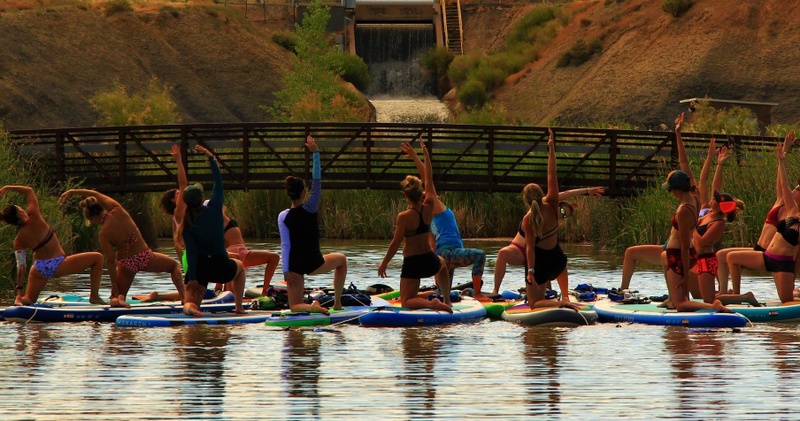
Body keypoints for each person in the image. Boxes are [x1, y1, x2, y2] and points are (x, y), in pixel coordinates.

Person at [59, 188, 184, 308]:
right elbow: (96, 194)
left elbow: (111, 261)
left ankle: (118, 299)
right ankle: (184, 297)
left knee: (118, 296)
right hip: (145, 257)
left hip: (127, 264)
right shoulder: (118, 210)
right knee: (174, 266)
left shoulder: (103, 234)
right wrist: (73, 192)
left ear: (93, 218)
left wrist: (114, 286)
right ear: (102, 208)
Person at [401, 141, 489, 301]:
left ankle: (423, 297)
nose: (433, 194)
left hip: (443, 255)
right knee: (480, 255)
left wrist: (414, 155)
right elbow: (427, 178)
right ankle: (477, 293)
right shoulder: (433, 206)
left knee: (445, 295)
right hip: (450, 253)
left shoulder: (426, 216)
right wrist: (418, 156)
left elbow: (431, 243)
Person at [661, 113, 731, 313]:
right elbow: (685, 164)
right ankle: (679, 300)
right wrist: (678, 134)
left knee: (681, 304)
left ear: (676, 191)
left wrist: (684, 273)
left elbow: (683, 244)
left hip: (678, 254)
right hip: (687, 254)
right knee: (680, 299)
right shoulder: (695, 198)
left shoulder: (684, 210)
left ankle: (713, 306)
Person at [716, 130, 798, 294]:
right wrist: (784, 153)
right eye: (796, 187)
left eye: (799, 189)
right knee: (721, 255)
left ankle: (737, 295)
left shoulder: (793, 214)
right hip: (760, 249)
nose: (796, 189)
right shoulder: (781, 201)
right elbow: (782, 182)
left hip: (772, 254)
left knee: (787, 295)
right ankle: (725, 291)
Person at [378, 142, 452, 312]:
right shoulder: (430, 206)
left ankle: (431, 303)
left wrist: (384, 263)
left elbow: (395, 243)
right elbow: (428, 179)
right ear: (421, 192)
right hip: (428, 259)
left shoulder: (404, 217)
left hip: (413, 263)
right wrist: (424, 156)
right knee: (441, 264)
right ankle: (447, 300)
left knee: (406, 301)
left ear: (405, 195)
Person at [0, 185, 105, 305]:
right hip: (58, 265)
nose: (23, 209)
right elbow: (29, 190)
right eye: (21, 208)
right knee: (98, 258)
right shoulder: (34, 217)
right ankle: (94, 296)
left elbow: (21, 267)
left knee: (28, 300)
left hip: (38, 269)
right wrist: (7, 188)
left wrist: (19, 291)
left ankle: (19, 301)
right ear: (19, 212)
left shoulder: (18, 241)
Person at [278, 135, 346, 315]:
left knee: (295, 307)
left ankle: (311, 307)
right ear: (303, 192)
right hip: (315, 262)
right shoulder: (310, 207)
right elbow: (317, 181)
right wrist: (315, 152)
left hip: (294, 266)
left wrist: (286, 270)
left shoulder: (282, 216)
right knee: (342, 260)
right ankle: (337, 303)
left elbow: (285, 245)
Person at [493, 187, 603, 295]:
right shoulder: (541, 204)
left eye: (565, 216)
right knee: (503, 253)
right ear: (557, 205)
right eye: (563, 212)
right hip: (519, 250)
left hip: (538, 256)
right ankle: (495, 291)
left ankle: (550, 293)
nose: (562, 216)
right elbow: (567, 193)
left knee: (549, 259)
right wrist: (588, 191)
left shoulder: (552, 224)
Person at [179, 144, 246, 316]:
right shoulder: (215, 208)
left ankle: (193, 309)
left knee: (189, 303)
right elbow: (218, 181)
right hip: (221, 267)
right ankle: (238, 307)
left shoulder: (187, 224)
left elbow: (192, 253)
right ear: (202, 198)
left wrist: (192, 278)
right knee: (240, 268)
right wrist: (210, 157)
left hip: (200, 270)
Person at [690, 140, 755, 305]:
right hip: (695, 258)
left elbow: (702, 241)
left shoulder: (718, 221)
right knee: (704, 297)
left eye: (715, 200)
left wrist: (691, 228)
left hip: (706, 259)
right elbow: (705, 182)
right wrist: (714, 160)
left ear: (721, 206)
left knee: (709, 299)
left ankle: (744, 297)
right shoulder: (707, 210)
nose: (712, 199)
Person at [522, 129, 580, 309]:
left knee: (534, 304)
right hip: (557, 261)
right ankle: (565, 297)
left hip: (540, 265)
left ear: (526, 200)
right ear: (542, 195)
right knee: (560, 257)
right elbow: (552, 174)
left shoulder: (528, 219)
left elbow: (530, 249)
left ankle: (559, 304)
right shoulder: (553, 204)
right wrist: (551, 148)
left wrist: (530, 272)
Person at [221, 205, 280, 296]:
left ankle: (264, 291)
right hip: (237, 253)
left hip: (238, 253)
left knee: (274, 257)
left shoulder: (218, 222)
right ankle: (264, 291)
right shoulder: (218, 218)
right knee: (274, 257)